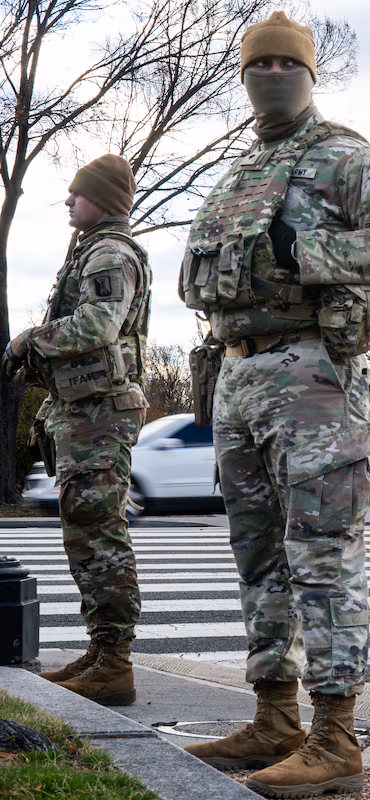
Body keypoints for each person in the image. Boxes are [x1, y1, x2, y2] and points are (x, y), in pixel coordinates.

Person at [176, 12, 370, 797]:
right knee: (258, 558)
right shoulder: (237, 172)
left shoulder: (349, 157)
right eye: (261, 63)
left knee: (322, 552)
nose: (274, 74)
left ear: (311, 74)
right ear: (244, 76)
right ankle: (275, 717)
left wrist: (305, 250)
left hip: (316, 373)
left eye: (289, 62)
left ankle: (336, 735)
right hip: (240, 372)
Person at [2, 155, 150, 706]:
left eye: (77, 193)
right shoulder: (92, 250)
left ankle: (114, 662)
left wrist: (28, 340)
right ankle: (101, 652)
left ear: (104, 199)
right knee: (86, 533)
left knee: (99, 534)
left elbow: (97, 325)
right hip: (85, 411)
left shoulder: (109, 253)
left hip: (100, 413)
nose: (68, 201)